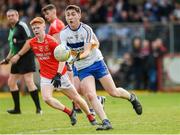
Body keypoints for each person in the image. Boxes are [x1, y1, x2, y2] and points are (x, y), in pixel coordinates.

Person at [60, 5, 143, 130]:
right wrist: (65, 60)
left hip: (96, 62)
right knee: (90, 95)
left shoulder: (86, 30)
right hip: (82, 68)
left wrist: (74, 57)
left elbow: (87, 52)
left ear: (79, 15)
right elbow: (64, 51)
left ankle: (132, 98)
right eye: (68, 15)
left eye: (73, 14)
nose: (70, 17)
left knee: (113, 92)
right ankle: (106, 122)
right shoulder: (64, 33)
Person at [11, 17, 96, 126]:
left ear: (44, 27)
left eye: (38, 27)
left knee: (76, 98)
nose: (36, 30)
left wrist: (58, 75)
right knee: (46, 98)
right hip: (46, 76)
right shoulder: (32, 42)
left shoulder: (51, 41)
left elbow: (62, 58)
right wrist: (14, 57)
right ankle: (70, 112)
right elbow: (22, 51)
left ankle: (90, 116)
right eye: (34, 28)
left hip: (60, 75)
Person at [41, 4, 105, 114]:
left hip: (70, 60)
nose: (46, 16)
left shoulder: (56, 25)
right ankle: (92, 103)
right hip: (71, 59)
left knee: (76, 87)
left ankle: (87, 106)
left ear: (54, 12)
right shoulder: (62, 26)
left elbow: (59, 48)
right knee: (77, 88)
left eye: (47, 13)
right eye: (68, 15)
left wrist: (63, 60)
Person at [0, 9, 42, 114]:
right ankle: (17, 109)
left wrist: (18, 55)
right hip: (16, 58)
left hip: (26, 56)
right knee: (11, 82)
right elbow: (12, 47)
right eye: (8, 16)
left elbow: (29, 41)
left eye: (12, 15)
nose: (10, 18)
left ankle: (39, 109)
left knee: (29, 81)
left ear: (17, 15)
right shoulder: (12, 29)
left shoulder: (22, 25)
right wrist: (7, 59)